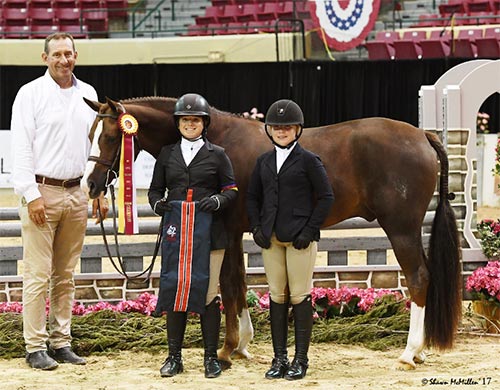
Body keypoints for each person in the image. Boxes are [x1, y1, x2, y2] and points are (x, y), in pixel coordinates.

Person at [10, 32, 108, 371]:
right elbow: (20, 148)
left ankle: (61, 341)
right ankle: (35, 346)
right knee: (37, 274)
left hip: (77, 191)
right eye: (57, 55)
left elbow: (95, 147)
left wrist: (98, 192)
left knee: (65, 275)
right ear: (45, 58)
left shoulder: (89, 94)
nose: (64, 60)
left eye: (69, 54)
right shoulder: (30, 94)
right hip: (43, 191)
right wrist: (31, 194)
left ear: (76, 55)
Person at [148, 93, 238, 379]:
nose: (190, 124)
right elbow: (154, 190)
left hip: (209, 233)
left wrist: (219, 202)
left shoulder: (218, 155)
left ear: (204, 123)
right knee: (176, 291)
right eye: (185, 120)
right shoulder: (166, 155)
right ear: (178, 123)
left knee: (208, 294)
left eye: (195, 120)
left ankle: (210, 358)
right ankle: (174, 357)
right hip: (178, 233)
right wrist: (156, 204)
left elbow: (232, 190)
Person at [246, 99, 334, 380]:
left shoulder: (309, 160)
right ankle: (279, 358)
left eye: (287, 127)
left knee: (299, 296)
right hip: (271, 238)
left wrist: (309, 230)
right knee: (276, 297)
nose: (281, 132)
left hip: (299, 239)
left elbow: (326, 197)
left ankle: (301, 359)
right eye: (276, 128)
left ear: (297, 130)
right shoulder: (263, 161)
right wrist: (256, 227)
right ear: (270, 131)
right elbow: (252, 197)